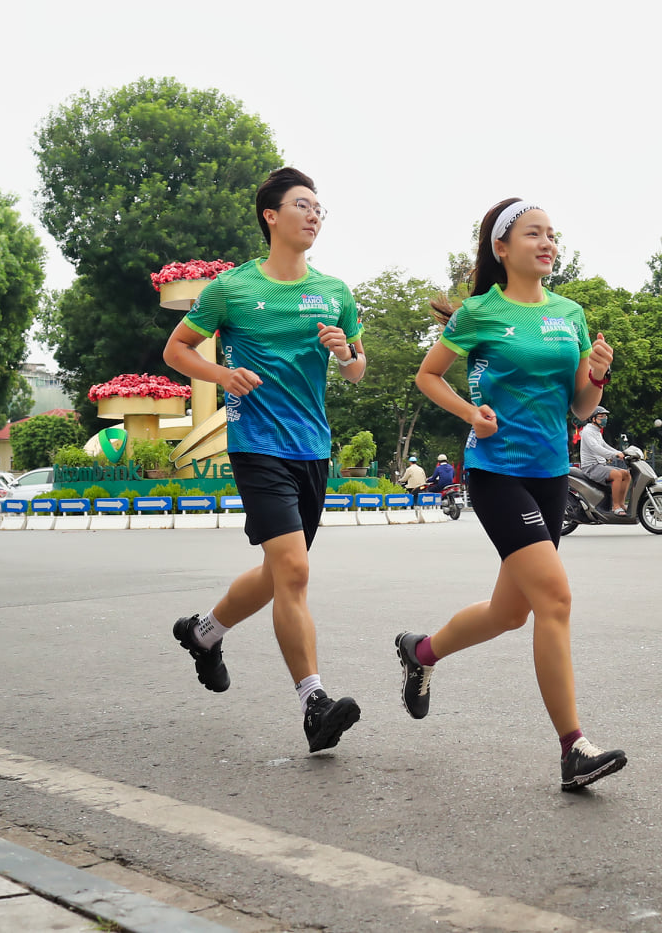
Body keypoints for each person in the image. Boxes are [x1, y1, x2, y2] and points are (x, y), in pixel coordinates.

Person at [399, 197, 627, 792]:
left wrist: (597, 374)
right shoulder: (480, 312)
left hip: (550, 474)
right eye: (533, 234)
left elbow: (580, 407)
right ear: (501, 248)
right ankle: (573, 748)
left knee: (511, 612)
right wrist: (469, 413)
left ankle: (421, 653)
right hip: (496, 471)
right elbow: (428, 374)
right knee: (555, 598)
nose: (547, 243)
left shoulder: (570, 314)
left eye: (552, 234)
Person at [162, 167, 367, 755]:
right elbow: (176, 349)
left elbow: (357, 370)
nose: (314, 215)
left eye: (319, 208)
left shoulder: (335, 291)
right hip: (256, 445)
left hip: (313, 447)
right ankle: (314, 703)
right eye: (302, 205)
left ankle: (203, 634)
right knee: (294, 572)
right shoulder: (231, 288)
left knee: (280, 572)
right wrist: (222, 374)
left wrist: (345, 352)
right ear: (270, 216)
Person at [577, 405, 629, 515]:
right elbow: (596, 448)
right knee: (617, 475)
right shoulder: (587, 431)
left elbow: (605, 446)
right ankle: (615, 507)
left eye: (605, 416)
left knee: (626, 474)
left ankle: (621, 504)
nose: (604, 419)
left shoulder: (596, 431)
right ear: (593, 419)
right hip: (591, 467)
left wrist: (621, 453)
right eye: (601, 416)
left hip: (600, 465)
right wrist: (613, 455)